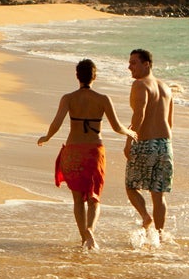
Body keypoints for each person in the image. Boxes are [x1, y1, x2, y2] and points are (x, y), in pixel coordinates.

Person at [38, 58, 130, 248]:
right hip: (94, 152)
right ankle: (90, 230)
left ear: (77, 76)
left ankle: (83, 238)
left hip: (73, 151)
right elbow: (116, 126)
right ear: (95, 76)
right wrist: (129, 132)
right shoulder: (103, 99)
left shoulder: (68, 98)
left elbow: (56, 123)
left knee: (78, 199)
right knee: (94, 198)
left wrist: (47, 137)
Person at [123, 48, 175, 244]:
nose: (129, 67)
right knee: (158, 194)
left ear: (147, 64)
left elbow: (139, 115)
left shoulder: (140, 84)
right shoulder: (166, 87)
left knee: (131, 186)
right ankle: (159, 236)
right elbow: (169, 121)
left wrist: (129, 140)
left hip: (146, 143)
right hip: (165, 144)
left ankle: (146, 217)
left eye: (133, 63)